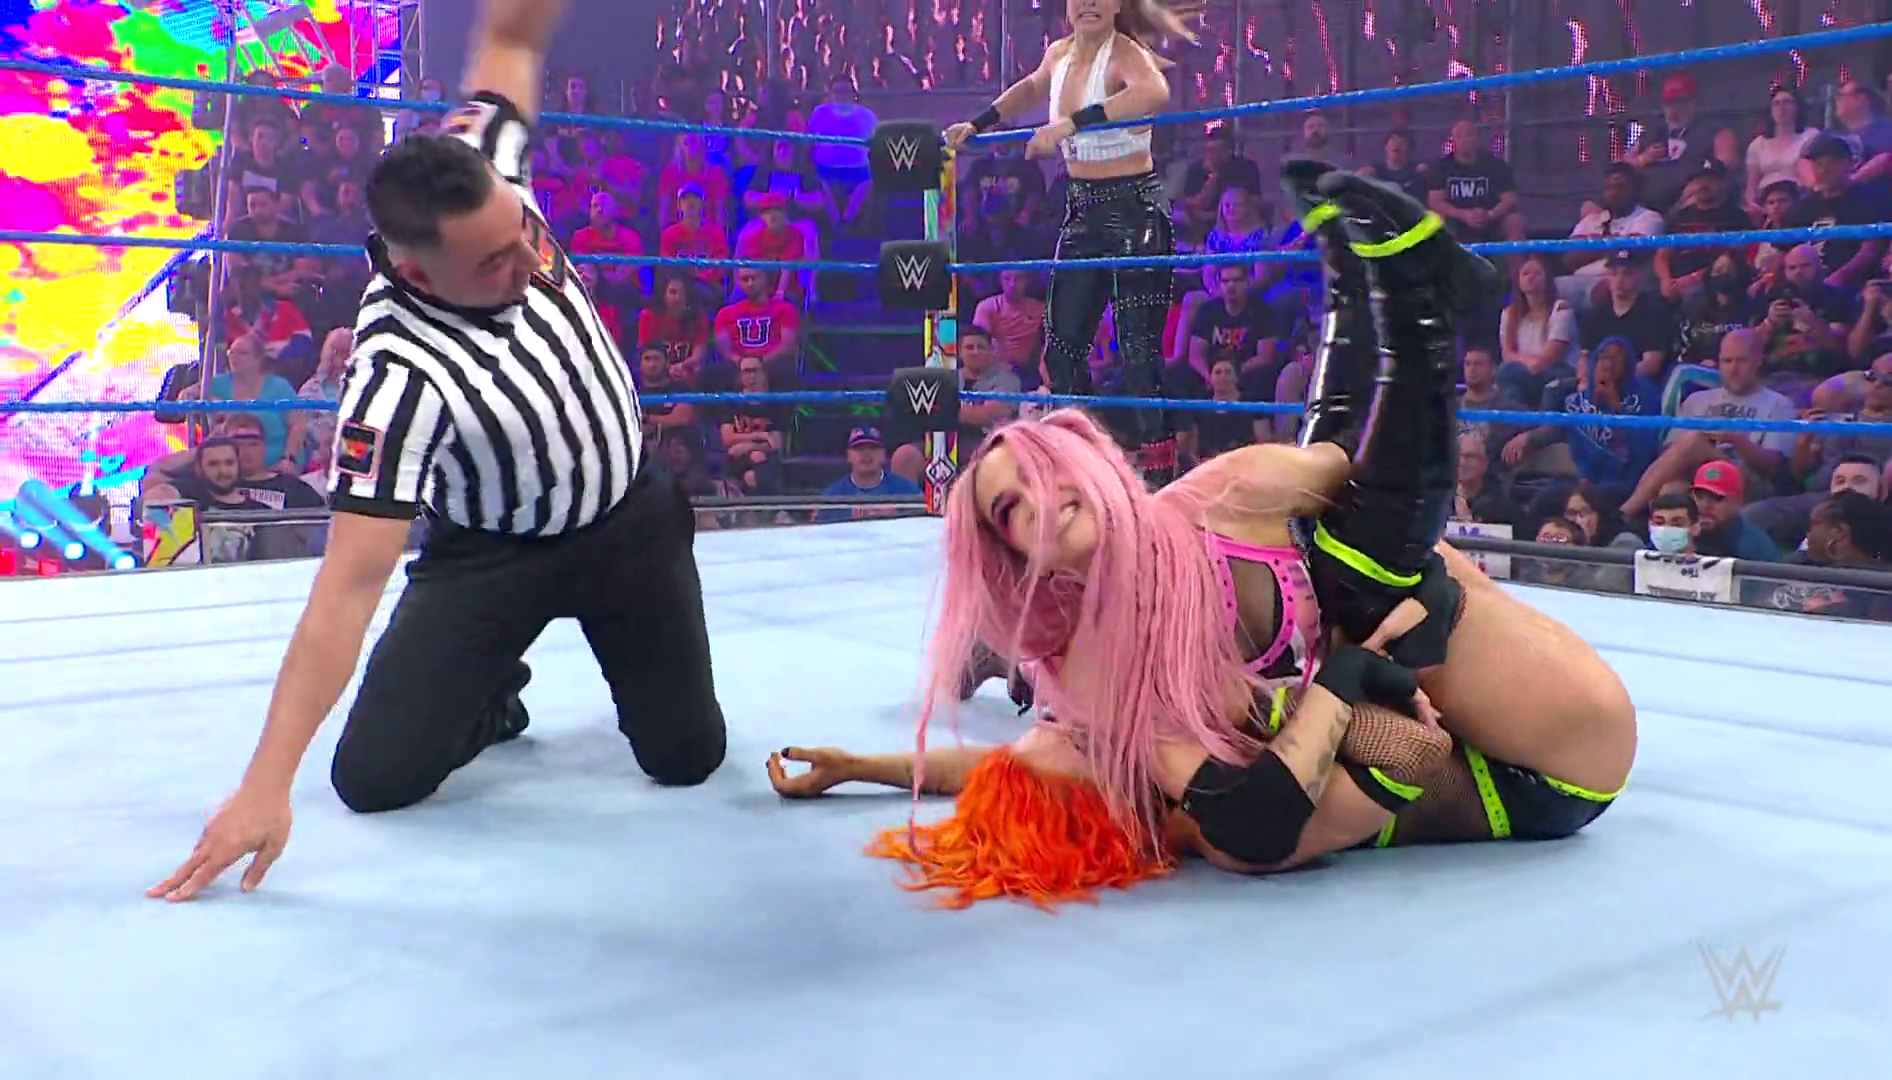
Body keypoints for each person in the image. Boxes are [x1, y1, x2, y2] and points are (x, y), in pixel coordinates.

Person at [770, 172, 1636, 906]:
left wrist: (861, 766)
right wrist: (1348, 686)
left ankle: (1370, 284)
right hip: (1545, 764)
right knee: (1358, 587)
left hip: (1494, 686)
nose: (1040, 501)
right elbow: (1392, 757)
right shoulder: (1150, 748)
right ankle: (1419, 306)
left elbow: (1343, 457)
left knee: (1335, 531)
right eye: (1010, 511)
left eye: (1045, 470)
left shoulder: (1200, 523)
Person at [150, 0, 728, 903]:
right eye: (495, 262)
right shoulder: (395, 377)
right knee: (372, 778)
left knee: (688, 758)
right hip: (491, 554)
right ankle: (491, 693)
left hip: (629, 523)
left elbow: (510, 38)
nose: (530, 264)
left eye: (524, 231)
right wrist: (265, 784)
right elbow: (349, 582)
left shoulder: (479, 170)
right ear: (416, 270)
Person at [941, 0, 1199, 488]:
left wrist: (1070, 123)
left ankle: (1161, 481)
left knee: (1139, 355)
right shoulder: (1058, 53)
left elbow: (1153, 91)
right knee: (1060, 352)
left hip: (1135, 211)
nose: (1089, 3)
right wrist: (977, 123)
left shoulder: (1124, 52)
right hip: (1082, 210)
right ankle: (1091, 465)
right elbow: (1030, 87)